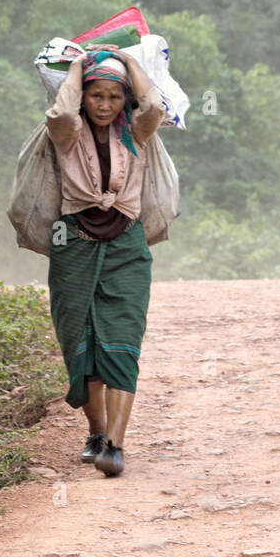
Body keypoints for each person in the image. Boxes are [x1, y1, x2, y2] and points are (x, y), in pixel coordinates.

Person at [44, 46, 164, 476]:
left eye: (115, 96)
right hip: (73, 245)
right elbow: (59, 115)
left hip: (127, 248)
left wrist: (128, 62)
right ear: (83, 97)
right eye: (97, 95)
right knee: (82, 344)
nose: (105, 104)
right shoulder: (67, 134)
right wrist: (78, 66)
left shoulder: (137, 131)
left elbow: (154, 105)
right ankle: (95, 432)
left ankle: (115, 445)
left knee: (123, 341)